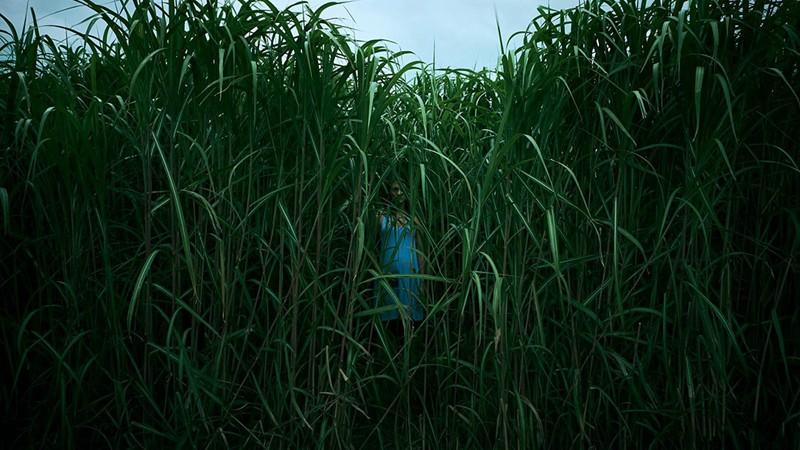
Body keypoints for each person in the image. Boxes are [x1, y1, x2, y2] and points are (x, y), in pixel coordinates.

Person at [375, 180, 424, 334]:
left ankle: (410, 356)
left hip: (410, 278)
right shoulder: (381, 217)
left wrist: (422, 281)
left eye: (402, 189)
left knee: (409, 324)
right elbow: (372, 248)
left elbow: (421, 252)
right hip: (386, 277)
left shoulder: (414, 220)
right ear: (389, 192)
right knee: (387, 322)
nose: (399, 193)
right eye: (395, 189)